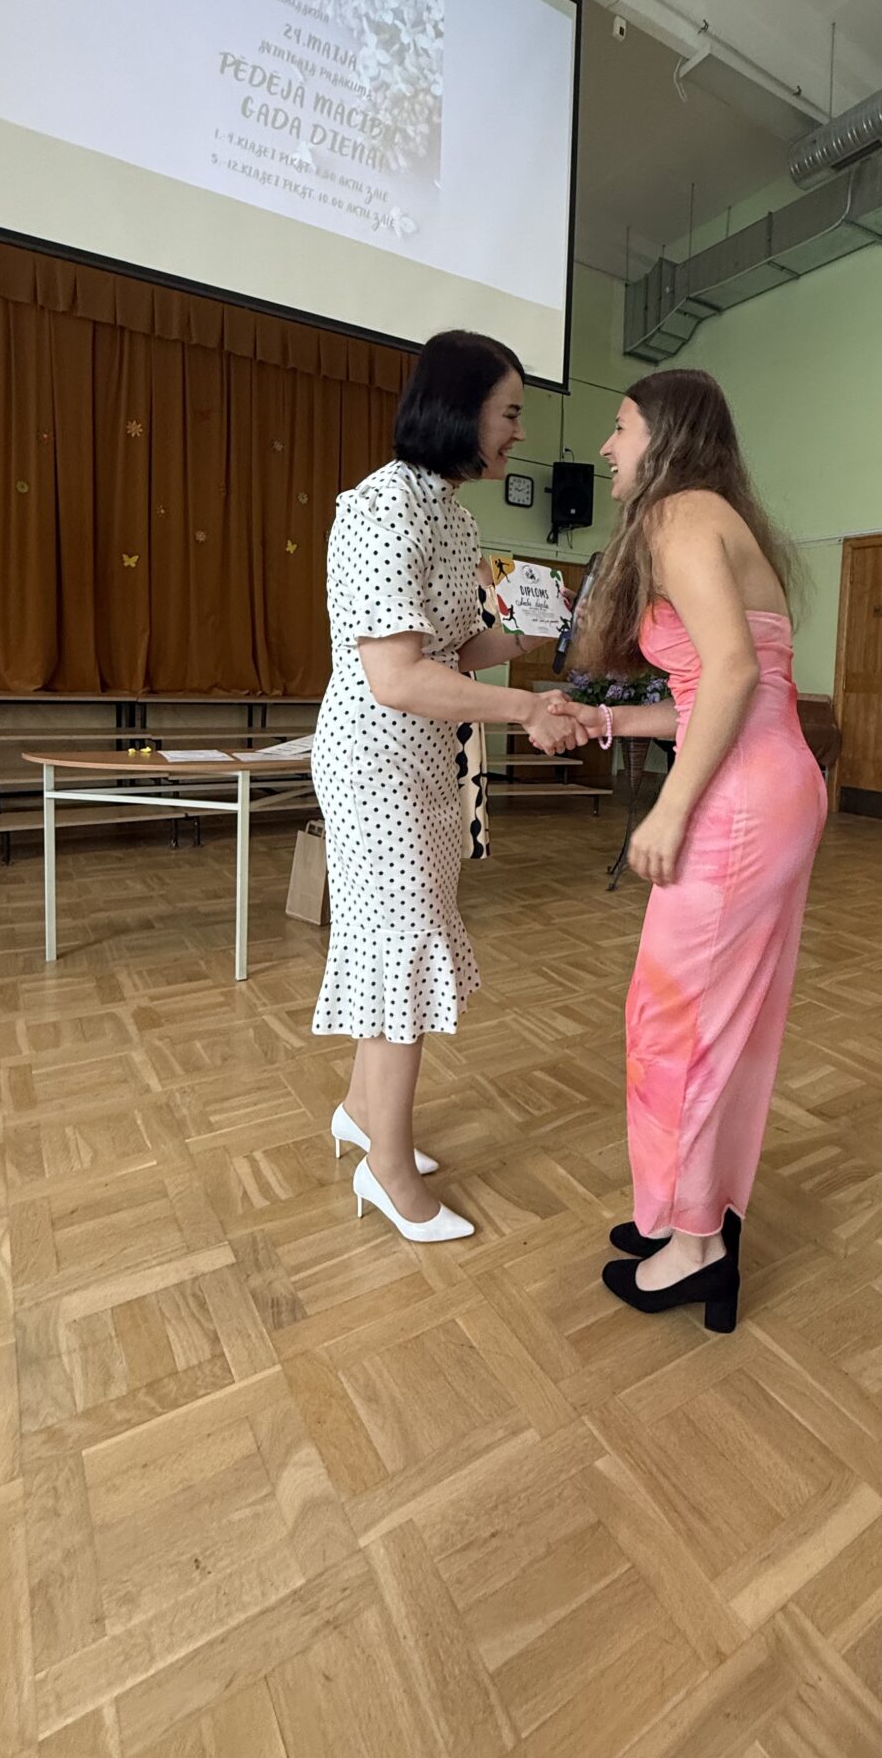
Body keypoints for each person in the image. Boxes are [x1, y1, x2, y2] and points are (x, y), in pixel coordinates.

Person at [551, 368, 826, 1331]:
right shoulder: (712, 517)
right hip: (770, 782)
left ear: (664, 435)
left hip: (740, 799)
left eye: (620, 426)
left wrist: (669, 810)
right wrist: (607, 724)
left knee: (678, 1021)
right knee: (713, 1021)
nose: (606, 447)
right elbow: (719, 693)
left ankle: (696, 1245)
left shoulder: (677, 515)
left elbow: (735, 676)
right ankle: (685, 1210)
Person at [313, 330, 582, 1243]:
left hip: (427, 760)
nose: (518, 434)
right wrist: (525, 707)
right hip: (375, 761)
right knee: (403, 946)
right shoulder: (382, 508)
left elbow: (453, 649)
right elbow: (395, 676)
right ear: (459, 410)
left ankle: (362, 1112)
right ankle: (387, 1168)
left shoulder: (455, 517)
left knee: (396, 938)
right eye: (510, 413)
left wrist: (530, 634)